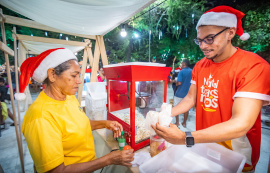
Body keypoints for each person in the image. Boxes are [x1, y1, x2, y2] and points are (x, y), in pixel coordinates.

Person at [152, 6, 270, 172]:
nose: (203, 46)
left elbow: (241, 123)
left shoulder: (254, 66)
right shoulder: (200, 65)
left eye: (209, 38)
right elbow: (190, 99)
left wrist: (186, 137)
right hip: (204, 145)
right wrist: (164, 115)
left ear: (230, 33)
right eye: (199, 40)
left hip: (236, 152)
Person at [16, 48, 134, 173]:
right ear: (52, 75)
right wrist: (108, 160)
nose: (79, 80)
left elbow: (80, 124)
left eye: (79, 75)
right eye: (73, 75)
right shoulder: (41, 116)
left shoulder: (68, 97)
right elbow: (56, 171)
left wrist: (105, 124)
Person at [174, 59, 192, 128]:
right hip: (188, 94)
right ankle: (184, 123)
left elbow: (179, 82)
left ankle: (177, 122)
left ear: (184, 64)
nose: (181, 65)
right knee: (186, 109)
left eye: (181, 64)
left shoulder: (181, 72)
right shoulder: (192, 71)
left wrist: (174, 81)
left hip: (179, 93)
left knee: (176, 107)